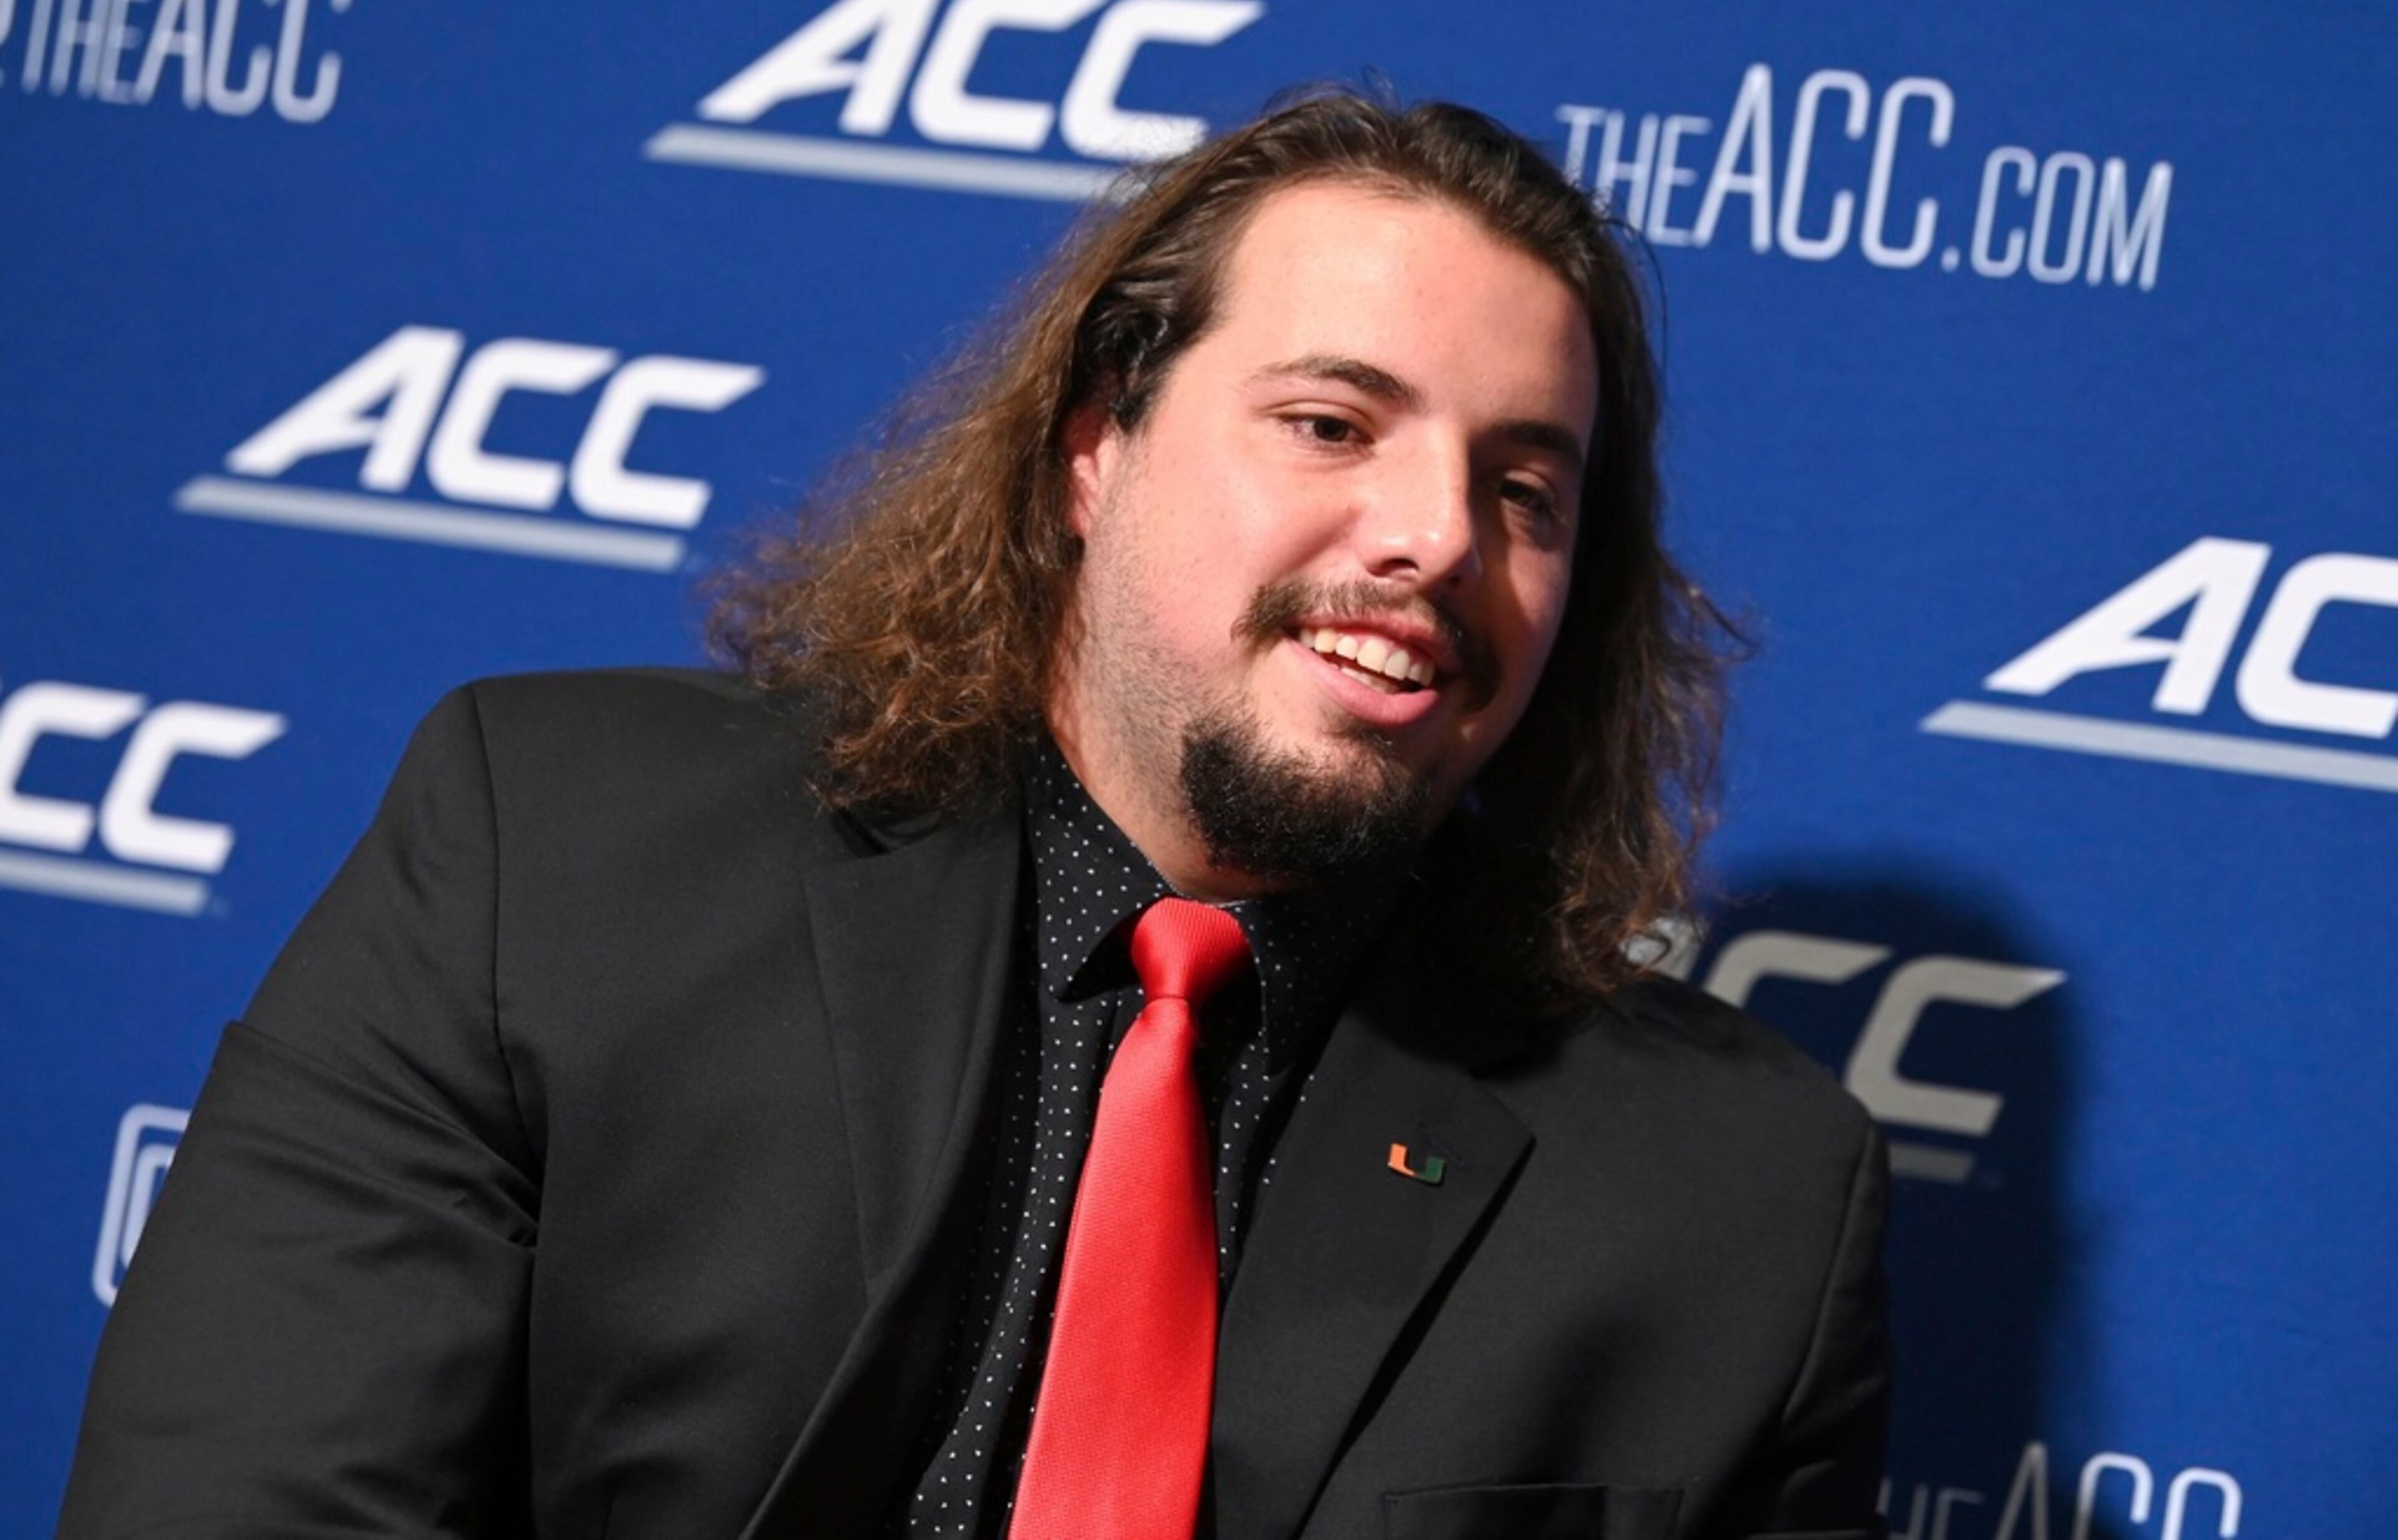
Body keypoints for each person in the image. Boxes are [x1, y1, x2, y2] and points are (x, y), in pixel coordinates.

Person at [59, 91, 1890, 1539]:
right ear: (1099, 441)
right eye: (1335, 425)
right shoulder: (549, 860)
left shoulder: (1737, 1205)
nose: (1433, 538)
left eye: (1523, 485)